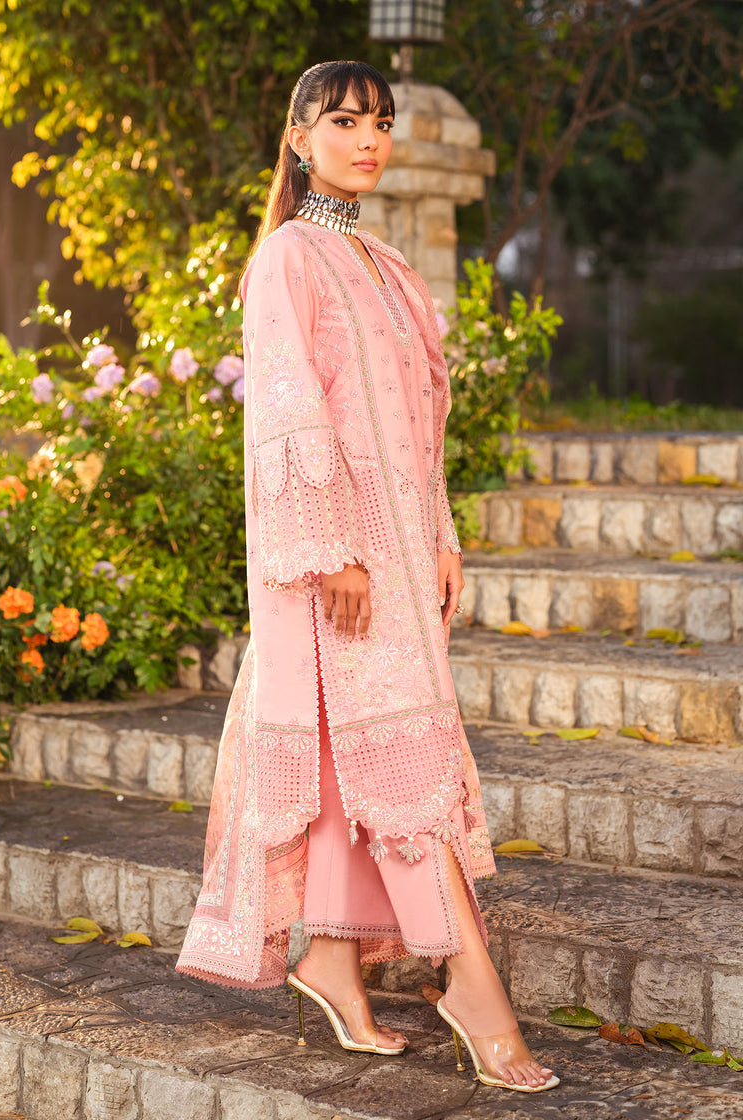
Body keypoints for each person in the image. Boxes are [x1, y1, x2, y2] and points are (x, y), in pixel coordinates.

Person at [177, 59, 558, 1094]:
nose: (367, 138)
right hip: (331, 559)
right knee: (399, 768)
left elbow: (417, 432)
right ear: (297, 136)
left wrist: (435, 534)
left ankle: (331, 958)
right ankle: (470, 983)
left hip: (395, 558)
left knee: (378, 758)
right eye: (343, 120)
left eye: (378, 122)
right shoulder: (287, 259)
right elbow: (287, 416)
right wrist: (331, 551)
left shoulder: (388, 267)